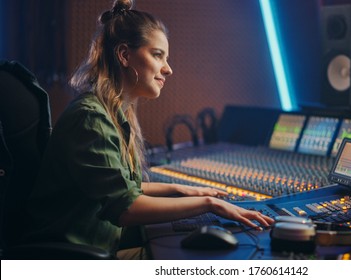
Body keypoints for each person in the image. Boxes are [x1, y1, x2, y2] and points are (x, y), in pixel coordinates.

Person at [25, 0, 273, 259]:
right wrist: (209, 204)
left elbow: (126, 187)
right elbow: (126, 208)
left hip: (98, 246)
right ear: (124, 55)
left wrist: (182, 190)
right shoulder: (91, 118)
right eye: (158, 55)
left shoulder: (113, 111)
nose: (168, 69)